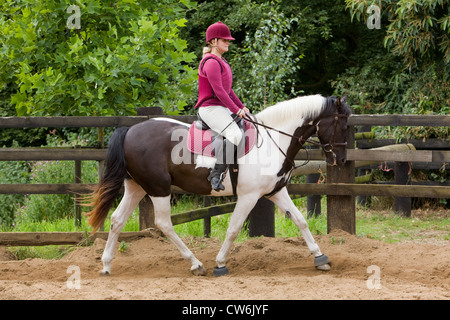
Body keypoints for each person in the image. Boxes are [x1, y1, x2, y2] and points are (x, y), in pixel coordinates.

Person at [194, 21, 250, 191]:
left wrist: (242, 107)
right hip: (210, 108)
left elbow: (228, 90)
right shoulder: (211, 62)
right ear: (213, 42)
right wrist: (236, 109)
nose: (228, 42)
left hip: (220, 107)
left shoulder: (222, 61)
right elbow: (219, 92)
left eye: (228, 40)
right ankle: (215, 174)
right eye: (224, 40)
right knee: (234, 134)